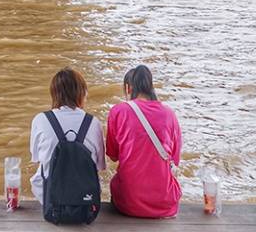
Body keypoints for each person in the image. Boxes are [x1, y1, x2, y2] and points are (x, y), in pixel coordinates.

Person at [106, 65, 182, 218]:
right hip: (165, 204)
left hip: (128, 202)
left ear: (128, 88)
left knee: (116, 182)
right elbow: (175, 158)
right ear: (151, 87)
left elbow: (113, 155)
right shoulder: (169, 114)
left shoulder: (118, 111)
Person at [28, 67, 105, 204]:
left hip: (50, 201)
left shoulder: (40, 119)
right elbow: (99, 166)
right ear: (81, 93)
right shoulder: (93, 122)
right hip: (86, 203)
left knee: (42, 170)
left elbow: (36, 157)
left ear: (54, 94)